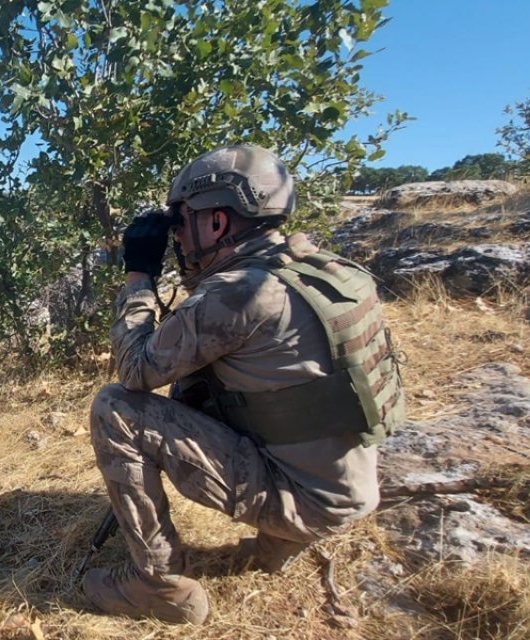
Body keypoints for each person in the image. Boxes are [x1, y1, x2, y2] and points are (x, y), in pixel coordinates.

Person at [81, 144, 405, 625]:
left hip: (305, 498)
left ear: (215, 222)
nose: (179, 238)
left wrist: (138, 274)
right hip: (345, 487)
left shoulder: (241, 294)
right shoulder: (322, 269)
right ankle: (279, 542)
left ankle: (159, 586)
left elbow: (135, 369)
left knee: (115, 408)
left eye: (183, 220)